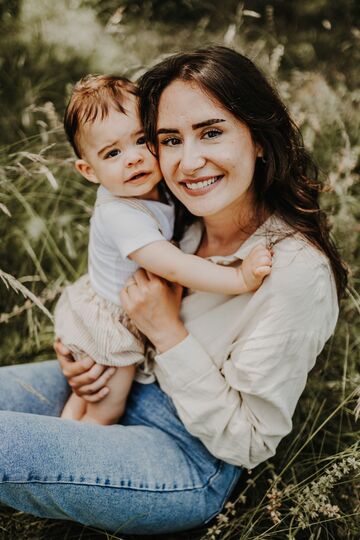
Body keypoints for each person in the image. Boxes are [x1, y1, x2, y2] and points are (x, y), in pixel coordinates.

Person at [0, 46, 347, 535]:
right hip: (124, 379)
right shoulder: (175, 208)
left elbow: (248, 441)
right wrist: (79, 346)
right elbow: (112, 276)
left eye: (210, 132)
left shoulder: (294, 274)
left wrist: (166, 333)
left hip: (186, 456)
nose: (189, 161)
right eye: (169, 139)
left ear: (260, 138)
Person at [55, 74, 272, 425]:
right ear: (88, 171)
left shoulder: (155, 189)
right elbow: (172, 264)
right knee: (105, 407)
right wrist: (240, 277)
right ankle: (67, 458)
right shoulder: (120, 213)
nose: (133, 159)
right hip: (112, 318)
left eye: (142, 140)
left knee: (82, 401)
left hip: (114, 298)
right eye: (112, 153)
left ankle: (63, 432)